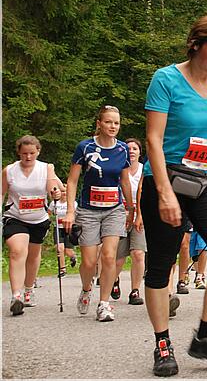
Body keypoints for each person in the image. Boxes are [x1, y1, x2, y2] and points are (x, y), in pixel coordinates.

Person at [140, 14, 207, 376]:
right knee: (161, 263)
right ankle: (162, 344)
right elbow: (153, 138)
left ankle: (205, 334)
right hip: (168, 179)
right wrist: (163, 191)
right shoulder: (166, 78)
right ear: (196, 44)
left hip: (206, 181)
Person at [63, 106, 134, 323]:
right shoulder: (84, 147)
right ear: (99, 123)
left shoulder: (122, 149)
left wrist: (130, 208)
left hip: (114, 209)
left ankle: (104, 304)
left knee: (109, 256)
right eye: (109, 122)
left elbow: (124, 181)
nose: (113, 127)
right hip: (88, 210)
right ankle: (86, 289)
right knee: (88, 261)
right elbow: (73, 180)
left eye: (117, 123)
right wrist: (70, 211)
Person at [2, 135, 61, 315]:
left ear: (38, 152)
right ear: (19, 153)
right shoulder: (9, 170)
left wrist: (58, 193)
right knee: (17, 251)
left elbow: (57, 187)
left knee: (33, 255)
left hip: (38, 219)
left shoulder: (46, 168)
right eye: (24, 153)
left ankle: (29, 289)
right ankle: (16, 295)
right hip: (15, 217)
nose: (28, 157)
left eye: (32, 153)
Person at [113, 138, 147, 305]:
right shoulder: (118, 168)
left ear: (140, 152)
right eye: (128, 148)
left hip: (140, 215)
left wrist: (139, 215)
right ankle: (114, 280)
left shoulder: (144, 170)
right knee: (118, 258)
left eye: (135, 148)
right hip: (119, 214)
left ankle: (135, 290)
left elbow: (145, 194)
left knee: (138, 253)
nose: (131, 151)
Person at [47, 185, 78, 277]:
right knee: (59, 248)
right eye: (62, 191)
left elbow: (77, 215)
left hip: (69, 228)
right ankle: (62, 269)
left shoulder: (73, 203)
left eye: (66, 192)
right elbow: (48, 213)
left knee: (68, 251)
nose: (64, 194)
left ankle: (73, 256)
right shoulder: (54, 203)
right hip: (58, 228)